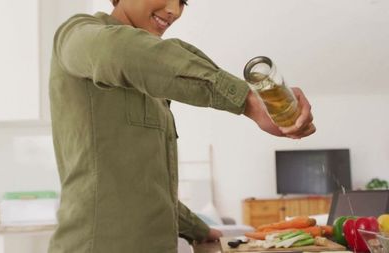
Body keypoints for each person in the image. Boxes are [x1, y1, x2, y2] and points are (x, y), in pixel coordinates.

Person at [47, 0, 315, 252]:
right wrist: (247, 101)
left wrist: (197, 228)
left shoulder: (153, 89)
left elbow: (146, 187)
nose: (174, 10)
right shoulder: (77, 35)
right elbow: (120, 49)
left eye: (183, 1)